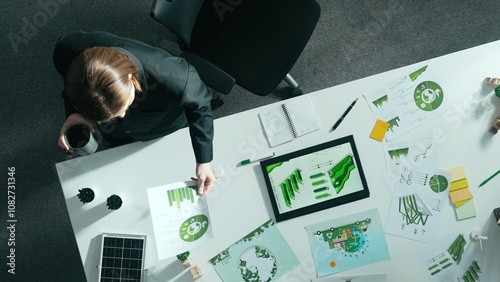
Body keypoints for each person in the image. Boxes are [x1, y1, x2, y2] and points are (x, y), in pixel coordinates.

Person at [53, 31, 216, 194]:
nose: (121, 117)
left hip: (158, 127)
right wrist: (73, 113)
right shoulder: (68, 52)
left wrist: (203, 160)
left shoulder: (176, 78)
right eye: (112, 116)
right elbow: (70, 86)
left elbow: (200, 106)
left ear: (130, 77)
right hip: (116, 135)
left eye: (123, 108)